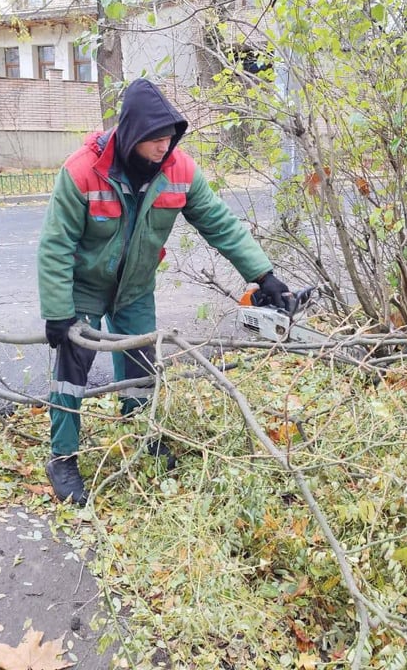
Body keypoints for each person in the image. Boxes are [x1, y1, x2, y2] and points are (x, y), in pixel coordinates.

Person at [37, 78, 294, 504]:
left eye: (170, 138)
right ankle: (63, 458)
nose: (165, 147)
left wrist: (262, 275)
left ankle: (145, 436)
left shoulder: (180, 171)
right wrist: (57, 311)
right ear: (132, 134)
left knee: (141, 367)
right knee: (72, 371)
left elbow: (220, 224)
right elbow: (56, 244)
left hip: (135, 287)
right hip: (83, 287)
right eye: (156, 139)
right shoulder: (82, 171)